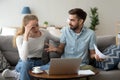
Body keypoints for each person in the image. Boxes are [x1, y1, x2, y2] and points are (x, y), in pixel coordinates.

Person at [2, 14, 59, 80]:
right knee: (26, 65)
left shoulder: (44, 32)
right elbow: (23, 58)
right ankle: (24, 72)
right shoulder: (20, 38)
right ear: (26, 27)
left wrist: (67, 35)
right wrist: (26, 36)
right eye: (32, 27)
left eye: (37, 25)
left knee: (53, 66)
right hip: (24, 63)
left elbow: (57, 39)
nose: (36, 28)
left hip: (39, 63)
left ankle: (17, 74)